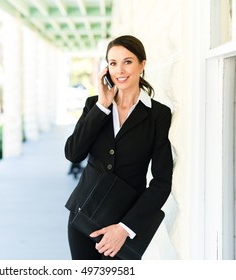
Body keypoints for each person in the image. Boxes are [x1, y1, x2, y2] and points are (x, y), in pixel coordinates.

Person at [64, 35, 173, 260]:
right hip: (83, 213)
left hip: (123, 221)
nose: (120, 70)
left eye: (128, 61)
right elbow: (73, 154)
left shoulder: (158, 115)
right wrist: (102, 108)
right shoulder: (95, 105)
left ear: (143, 64)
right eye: (113, 63)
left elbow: (162, 182)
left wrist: (125, 227)